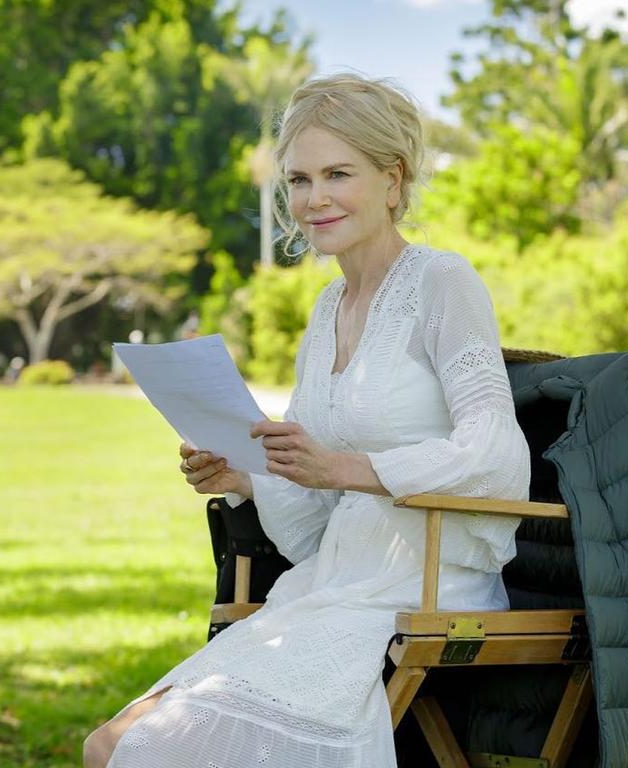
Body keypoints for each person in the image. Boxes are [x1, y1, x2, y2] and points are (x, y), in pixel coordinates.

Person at [83, 72, 531, 768]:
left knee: (142, 753)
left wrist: (347, 468)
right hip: (325, 588)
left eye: (337, 174)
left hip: (417, 592)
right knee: (107, 744)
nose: (313, 198)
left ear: (393, 180)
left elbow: (498, 456)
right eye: (298, 179)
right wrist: (249, 474)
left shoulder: (444, 284)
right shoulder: (325, 314)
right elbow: (312, 523)